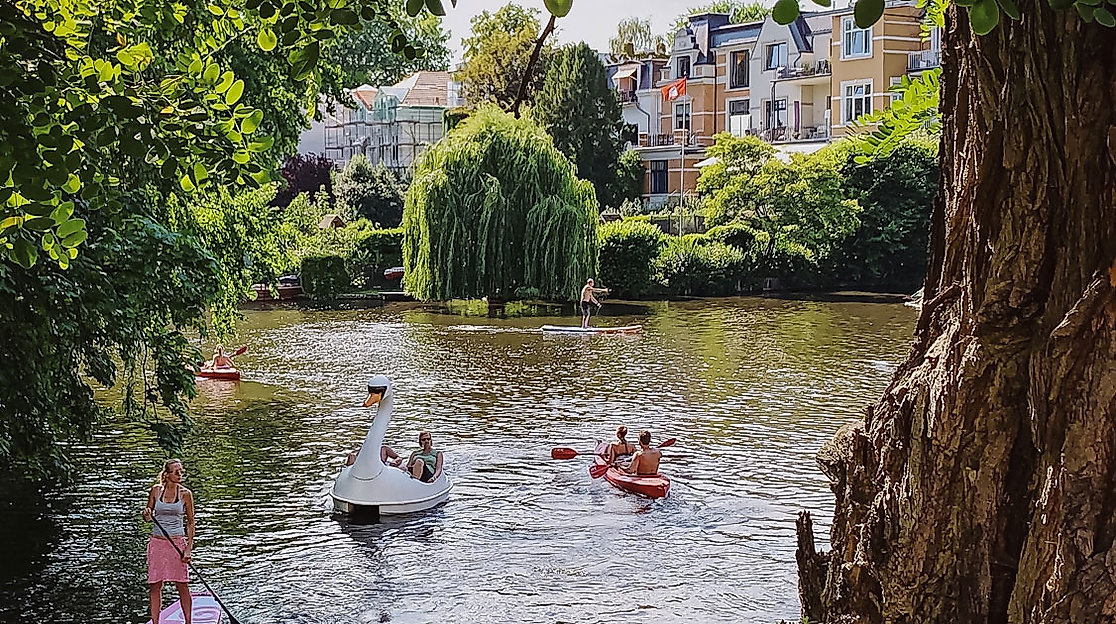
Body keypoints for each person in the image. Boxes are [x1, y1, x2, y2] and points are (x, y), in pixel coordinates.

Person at [142, 459, 195, 624]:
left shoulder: (186, 494)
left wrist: (188, 549)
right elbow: (147, 516)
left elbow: (191, 522)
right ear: (167, 474)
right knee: (155, 585)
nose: (180, 474)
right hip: (157, 543)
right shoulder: (156, 491)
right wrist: (146, 514)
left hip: (177, 543)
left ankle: (188, 622)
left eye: (181, 471)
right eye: (176, 471)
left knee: (182, 585)